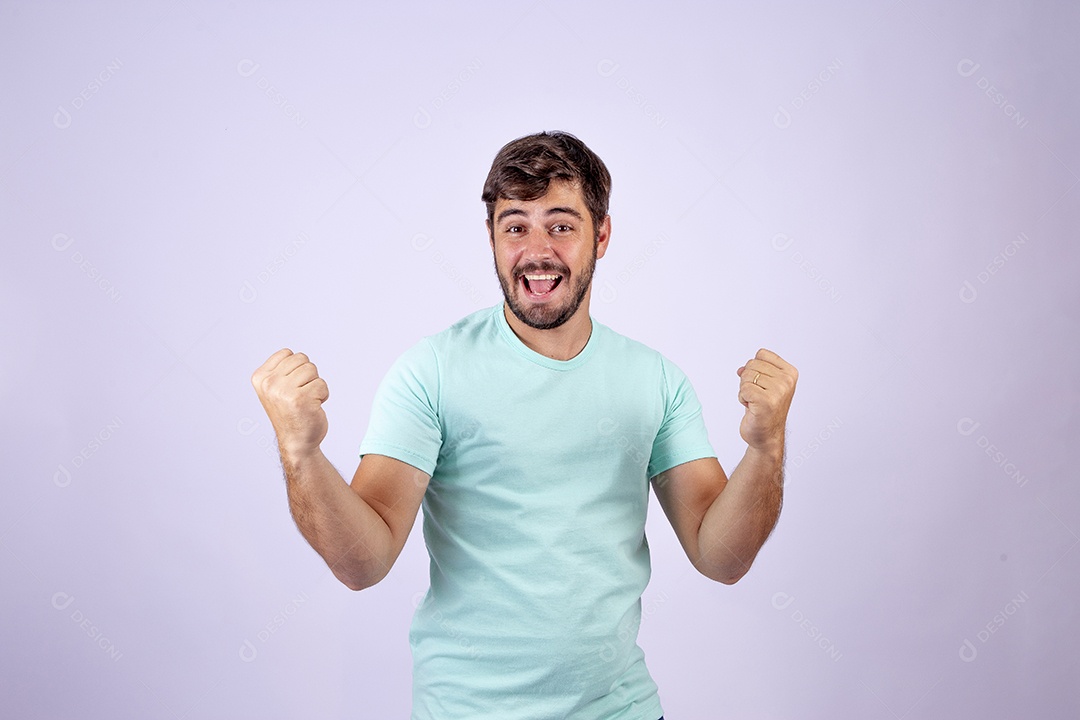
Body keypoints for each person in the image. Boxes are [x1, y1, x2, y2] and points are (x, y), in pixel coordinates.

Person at [251, 131, 798, 720]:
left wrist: (765, 450)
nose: (537, 250)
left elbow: (722, 557)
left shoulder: (656, 381)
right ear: (491, 237)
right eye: (516, 226)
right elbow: (364, 563)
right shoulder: (431, 372)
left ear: (603, 236)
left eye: (561, 225)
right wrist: (301, 454)